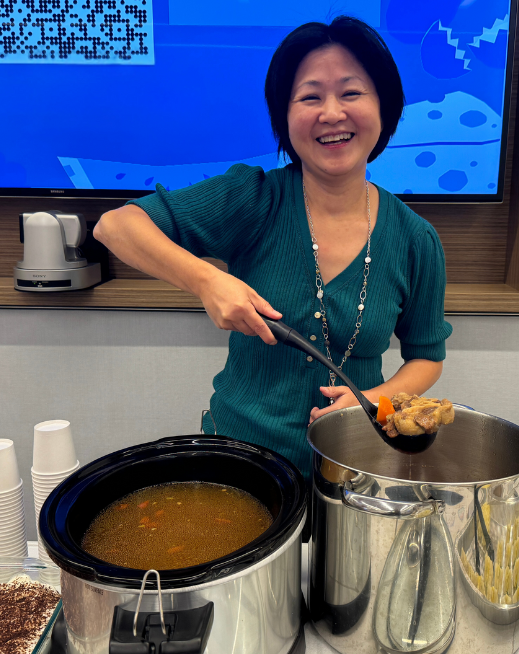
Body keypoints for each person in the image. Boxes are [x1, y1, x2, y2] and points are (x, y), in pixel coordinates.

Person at [93, 16, 453, 478]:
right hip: (239, 463)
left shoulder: (415, 239)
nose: (331, 113)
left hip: (354, 463)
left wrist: (376, 400)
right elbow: (115, 226)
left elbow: (426, 357)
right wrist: (207, 281)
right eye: (309, 97)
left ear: (385, 107)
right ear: (284, 117)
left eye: (351, 93)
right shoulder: (253, 196)